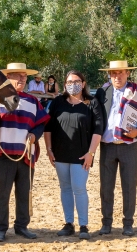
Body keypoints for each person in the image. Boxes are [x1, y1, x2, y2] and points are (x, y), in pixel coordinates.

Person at [0, 62, 49, 242]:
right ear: (8, 77)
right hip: (3, 154)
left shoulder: (33, 101)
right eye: (19, 76)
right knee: (2, 192)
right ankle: (0, 228)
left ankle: (22, 226)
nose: (23, 79)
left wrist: (35, 134)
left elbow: (41, 123)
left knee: (24, 191)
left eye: (25, 77)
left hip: (25, 153)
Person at [93, 60, 137, 237]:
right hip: (107, 146)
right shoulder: (102, 92)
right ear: (109, 75)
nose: (117, 76)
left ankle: (128, 223)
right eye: (113, 73)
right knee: (106, 187)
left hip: (129, 147)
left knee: (129, 186)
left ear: (127, 73)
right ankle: (106, 223)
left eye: (120, 72)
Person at [45, 70, 105, 240]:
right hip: (60, 154)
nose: (73, 84)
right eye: (69, 82)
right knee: (65, 188)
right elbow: (48, 127)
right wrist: (49, 150)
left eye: (76, 81)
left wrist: (91, 153)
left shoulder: (92, 103)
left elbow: (98, 129)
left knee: (79, 188)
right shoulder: (57, 102)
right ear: (65, 84)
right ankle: (69, 223)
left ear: (83, 83)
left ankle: (83, 225)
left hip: (82, 155)